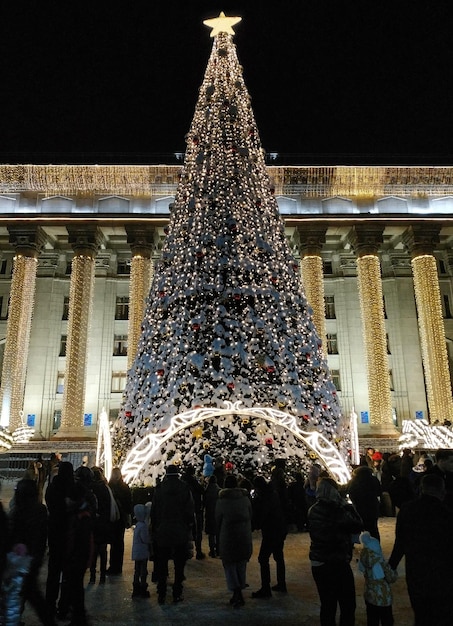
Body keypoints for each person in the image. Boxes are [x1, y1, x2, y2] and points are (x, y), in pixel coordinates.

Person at [388, 473, 453, 626]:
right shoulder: (447, 513)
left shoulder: (407, 510)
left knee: (422, 614)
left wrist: (391, 566)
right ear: (442, 491)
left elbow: (400, 543)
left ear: (421, 489)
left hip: (416, 571)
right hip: (443, 574)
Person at [307, 476, 363, 626]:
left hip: (319, 561)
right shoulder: (337, 510)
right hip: (337, 561)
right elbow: (357, 524)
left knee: (328, 604)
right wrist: (349, 506)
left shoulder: (313, 510)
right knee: (347, 604)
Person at [7, 478, 56, 626]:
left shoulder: (18, 511)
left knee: (24, 594)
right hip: (29, 559)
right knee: (30, 595)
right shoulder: (39, 510)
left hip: (20, 560)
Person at [151, 464, 194, 605]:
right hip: (180, 529)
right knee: (179, 563)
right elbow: (189, 509)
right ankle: (177, 591)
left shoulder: (159, 489)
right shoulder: (184, 488)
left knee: (162, 562)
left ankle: (162, 592)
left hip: (163, 529)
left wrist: (155, 527)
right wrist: (189, 525)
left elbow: (154, 510)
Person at [216, 474, 253, 609]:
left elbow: (218, 519)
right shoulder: (245, 499)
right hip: (243, 536)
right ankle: (238, 592)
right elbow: (251, 514)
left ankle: (237, 592)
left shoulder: (222, 500)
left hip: (228, 537)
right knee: (241, 564)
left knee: (230, 565)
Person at [45, 460, 76, 620]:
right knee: (67, 574)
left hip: (54, 533)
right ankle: (63, 607)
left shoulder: (52, 487)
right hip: (68, 535)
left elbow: (50, 503)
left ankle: (49, 606)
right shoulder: (71, 488)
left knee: (53, 573)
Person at [251, 475, 287, 598]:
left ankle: (266, 588)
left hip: (271, 531)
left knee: (263, 558)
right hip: (279, 529)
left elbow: (263, 515)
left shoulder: (265, 497)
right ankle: (281, 583)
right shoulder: (272, 493)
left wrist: (256, 525)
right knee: (278, 556)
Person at [359, 531, 397, 626]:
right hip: (384, 599)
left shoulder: (365, 559)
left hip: (370, 597)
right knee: (387, 620)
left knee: (372, 620)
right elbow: (392, 578)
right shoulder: (381, 564)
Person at [107, 466, 133, 575]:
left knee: (115, 542)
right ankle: (116, 566)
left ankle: (114, 566)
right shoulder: (123, 487)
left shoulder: (110, 487)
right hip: (120, 517)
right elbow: (129, 503)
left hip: (115, 517)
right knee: (117, 542)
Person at [89, 466, 111, 584]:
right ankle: (102, 574)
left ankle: (93, 573)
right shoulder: (105, 488)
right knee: (103, 550)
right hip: (104, 522)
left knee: (94, 549)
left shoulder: (91, 489)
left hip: (94, 523)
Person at [347, 465, 382, 540]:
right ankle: (375, 543)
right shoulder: (373, 479)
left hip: (359, 506)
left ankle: (365, 542)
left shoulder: (354, 481)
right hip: (372, 506)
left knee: (363, 525)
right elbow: (379, 491)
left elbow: (349, 491)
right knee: (373, 527)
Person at [182, 464, 206, 559]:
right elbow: (202, 490)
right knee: (197, 531)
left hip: (184, 510)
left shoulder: (182, 482)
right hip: (195, 508)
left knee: (185, 531)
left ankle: (185, 551)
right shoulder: (193, 482)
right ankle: (198, 551)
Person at [131, 503, 151, 599]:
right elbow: (145, 539)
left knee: (137, 570)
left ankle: (136, 587)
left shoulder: (137, 525)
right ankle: (143, 587)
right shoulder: (143, 526)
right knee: (143, 571)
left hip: (136, 552)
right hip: (143, 552)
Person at [204, 474, 220, 557]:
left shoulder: (206, 491)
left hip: (209, 513)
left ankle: (212, 550)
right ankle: (218, 549)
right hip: (217, 513)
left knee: (211, 534)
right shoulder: (219, 491)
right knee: (218, 532)